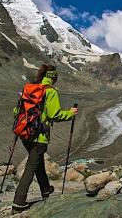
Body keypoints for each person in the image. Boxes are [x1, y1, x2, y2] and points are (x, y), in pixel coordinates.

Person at [12, 64, 78, 213]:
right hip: (39, 137)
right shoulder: (50, 92)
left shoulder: (30, 89)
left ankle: (46, 189)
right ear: (53, 78)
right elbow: (55, 114)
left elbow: (16, 110)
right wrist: (71, 113)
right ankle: (18, 202)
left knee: (37, 162)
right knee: (31, 166)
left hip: (25, 135)